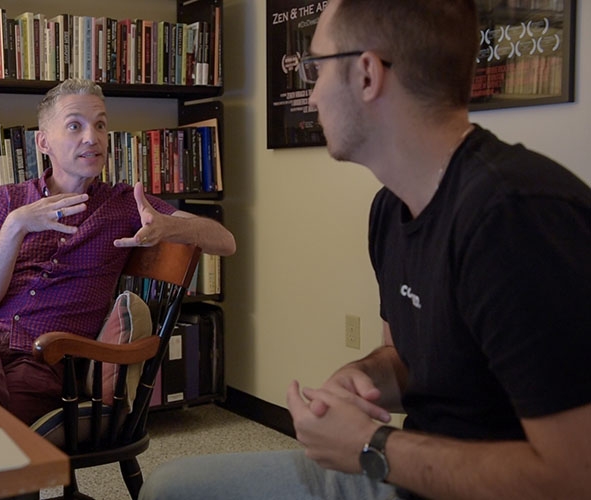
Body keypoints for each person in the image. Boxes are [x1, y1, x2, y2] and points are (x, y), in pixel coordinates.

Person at [140, 1, 591, 499]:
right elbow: (407, 356)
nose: (310, 96)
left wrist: (372, 447)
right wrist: (363, 375)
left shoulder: (517, 218)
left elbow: (573, 476)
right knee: (169, 487)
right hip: (405, 471)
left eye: (316, 69)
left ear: (367, 74)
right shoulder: (389, 209)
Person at [0, 78, 236, 425]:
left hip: (48, 355)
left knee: (0, 429)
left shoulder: (124, 204)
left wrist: (170, 227)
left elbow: (225, 241)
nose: (92, 137)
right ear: (43, 141)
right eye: (75, 125)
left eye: (101, 125)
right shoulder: (5, 201)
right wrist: (16, 225)